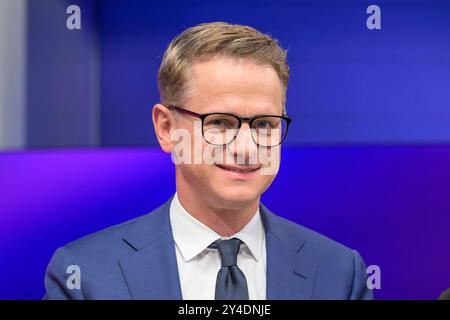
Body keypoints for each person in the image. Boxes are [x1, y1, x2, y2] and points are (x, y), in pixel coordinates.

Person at [44, 22, 372, 300]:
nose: (246, 148)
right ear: (166, 128)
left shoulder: (340, 275)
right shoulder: (85, 276)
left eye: (263, 124)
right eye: (219, 123)